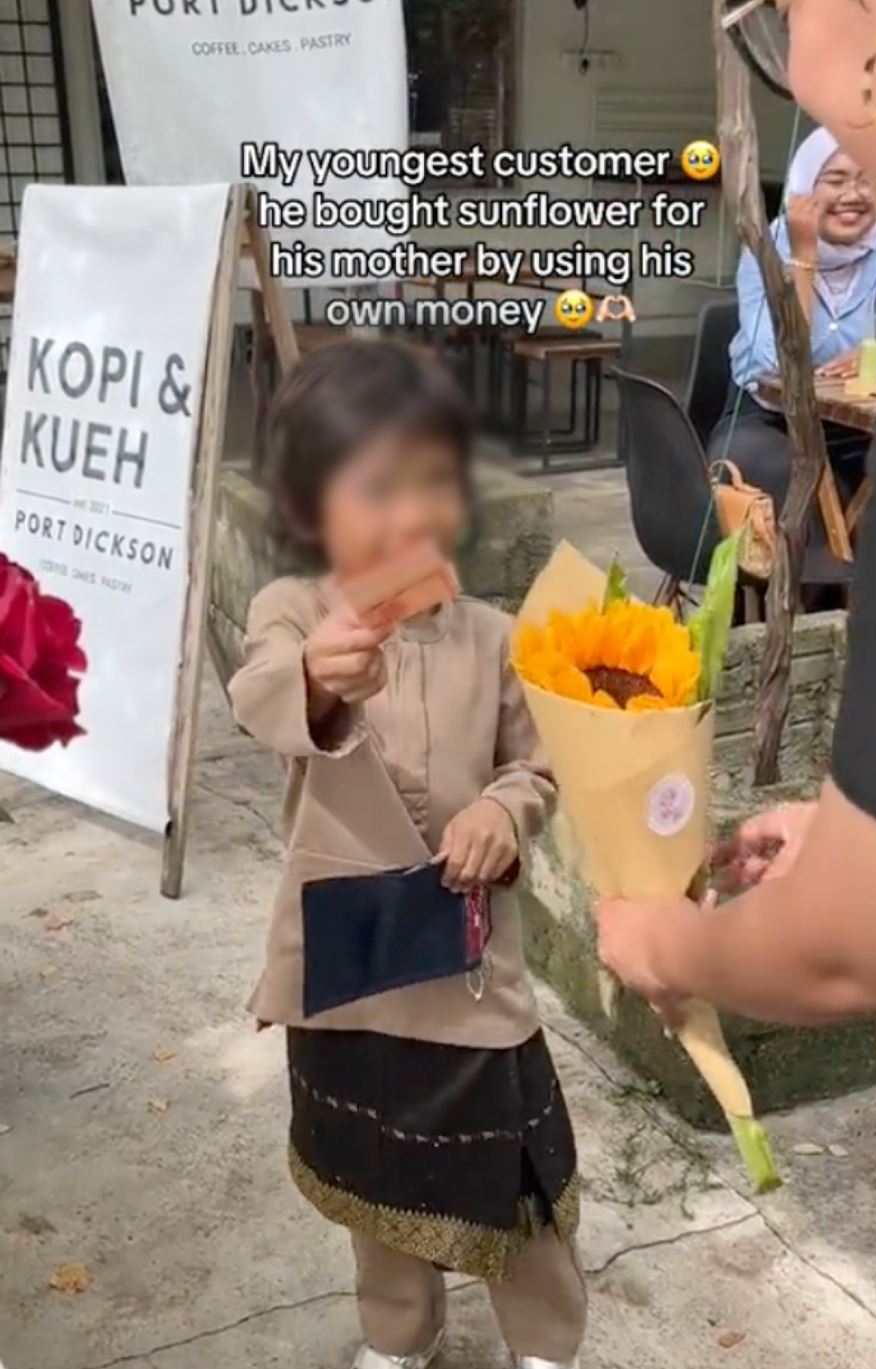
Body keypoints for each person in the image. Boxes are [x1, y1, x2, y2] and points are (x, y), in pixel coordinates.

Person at [594, 0, 876, 1024]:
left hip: (864, 430)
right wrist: (856, 830)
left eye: (783, 18)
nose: (791, 68)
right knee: (764, 481)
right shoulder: (794, 257)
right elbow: (762, 362)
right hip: (780, 421)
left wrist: (666, 941)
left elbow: (850, 953)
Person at [228, 341, 584, 1369]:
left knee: (515, 1182)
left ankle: (548, 1347)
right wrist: (318, 673)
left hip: (471, 977)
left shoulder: (499, 636)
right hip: (347, 969)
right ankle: (397, 1334)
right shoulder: (294, 614)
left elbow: (541, 766)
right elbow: (261, 695)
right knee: (372, 1180)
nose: (407, 513)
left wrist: (505, 812)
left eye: (432, 479)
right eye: (373, 486)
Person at [711, 125, 876, 512]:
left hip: (865, 428)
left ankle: (871, 570)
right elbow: (779, 363)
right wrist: (804, 256)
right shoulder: (766, 252)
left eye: (866, 181)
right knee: (780, 480)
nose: (852, 196)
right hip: (772, 419)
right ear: (804, 187)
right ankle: (814, 572)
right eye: (835, 180)